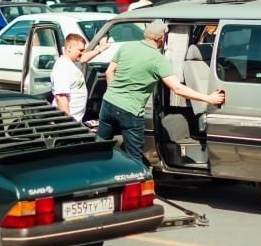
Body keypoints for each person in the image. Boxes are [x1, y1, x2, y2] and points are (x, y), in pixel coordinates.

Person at [97, 19, 226, 163]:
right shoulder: (158, 59)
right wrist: (209, 98)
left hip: (108, 103)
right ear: (162, 38)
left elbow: (109, 71)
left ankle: (96, 173)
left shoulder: (126, 46)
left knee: (100, 148)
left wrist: (114, 93)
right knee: (134, 158)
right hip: (130, 111)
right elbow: (177, 88)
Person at [51, 33, 90, 121]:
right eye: (80, 50)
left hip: (76, 121)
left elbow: (85, 58)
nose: (83, 53)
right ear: (69, 48)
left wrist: (100, 49)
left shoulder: (72, 63)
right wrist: (69, 122)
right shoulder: (62, 67)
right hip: (66, 123)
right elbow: (61, 98)